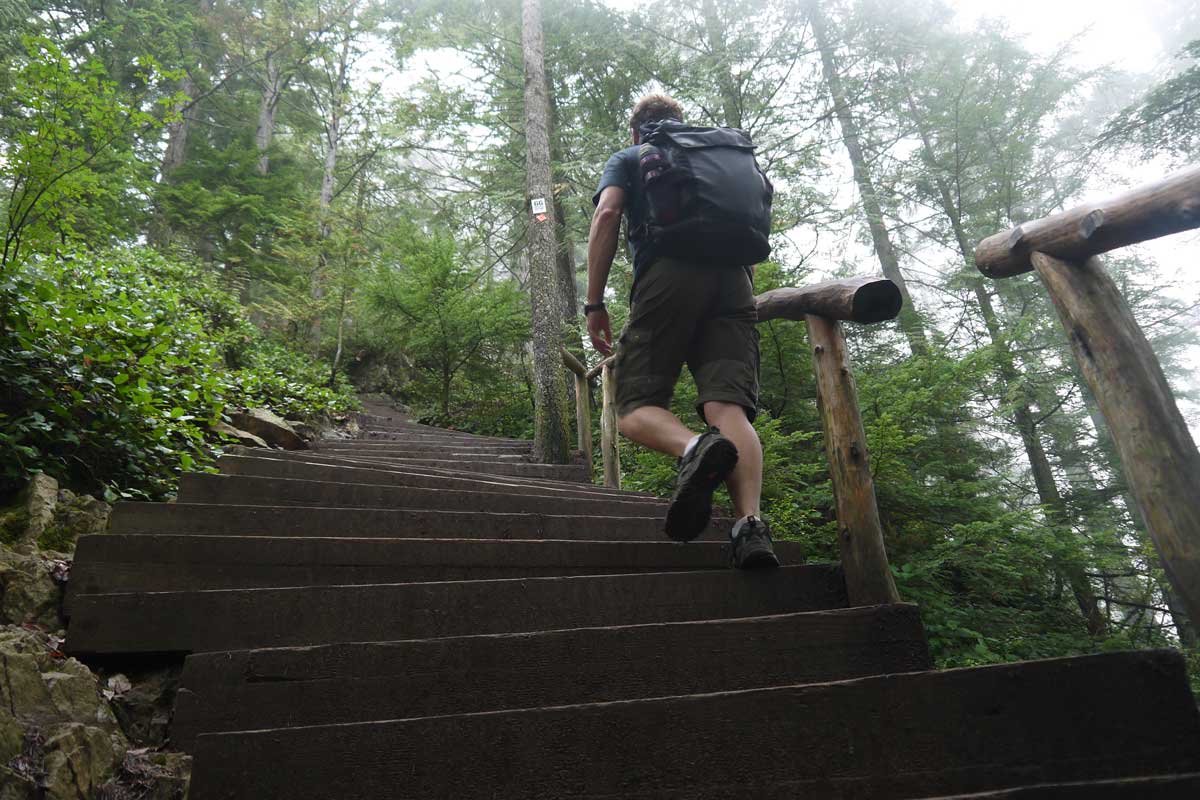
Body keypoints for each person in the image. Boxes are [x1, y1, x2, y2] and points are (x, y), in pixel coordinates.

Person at [585, 93, 778, 569]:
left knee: (632, 408)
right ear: (680, 124)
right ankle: (750, 527)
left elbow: (607, 213)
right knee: (728, 407)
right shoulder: (723, 155)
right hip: (735, 281)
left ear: (636, 131)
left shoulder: (631, 156)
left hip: (668, 276)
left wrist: (594, 303)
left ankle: (696, 448)